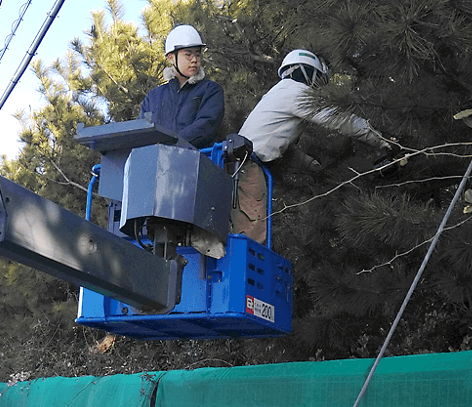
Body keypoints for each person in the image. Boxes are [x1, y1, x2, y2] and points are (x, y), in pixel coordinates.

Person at [232, 49, 392, 244]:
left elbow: (280, 146)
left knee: (237, 227)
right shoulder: (296, 92)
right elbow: (340, 120)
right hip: (249, 168)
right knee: (251, 236)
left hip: (239, 164)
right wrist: (382, 140)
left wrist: (314, 167)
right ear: (310, 73)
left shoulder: (277, 92)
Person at [140, 25, 224, 148]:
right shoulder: (153, 97)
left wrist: (170, 145)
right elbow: (141, 132)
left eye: (198, 54)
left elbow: (206, 126)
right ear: (171, 58)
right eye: (188, 54)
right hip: (157, 163)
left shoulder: (211, 90)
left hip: (197, 162)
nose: (194, 60)